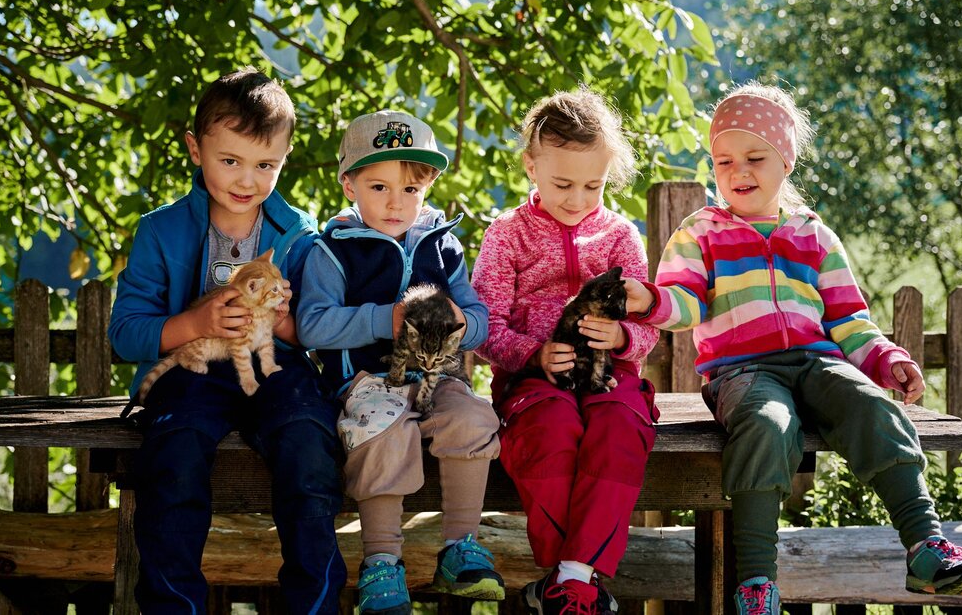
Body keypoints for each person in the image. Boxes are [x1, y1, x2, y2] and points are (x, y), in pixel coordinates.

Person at [625, 81, 962, 612]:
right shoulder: (700, 233)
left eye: (755, 158)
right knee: (766, 425)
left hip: (817, 363)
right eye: (723, 161)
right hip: (742, 373)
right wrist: (650, 299)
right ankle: (756, 582)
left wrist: (887, 360)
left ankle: (926, 546)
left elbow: (848, 319)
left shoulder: (814, 234)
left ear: (785, 161)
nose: (738, 171)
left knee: (874, 407)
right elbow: (684, 304)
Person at [108, 67, 345, 614]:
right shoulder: (161, 230)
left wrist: (284, 322)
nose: (246, 180)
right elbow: (125, 334)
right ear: (196, 149)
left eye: (265, 165)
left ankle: (314, 606)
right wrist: (196, 324)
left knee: (309, 446)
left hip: (276, 369)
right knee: (173, 456)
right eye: (230, 160)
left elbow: (316, 332)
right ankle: (173, 608)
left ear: (285, 157)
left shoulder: (300, 235)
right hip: (191, 371)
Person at [295, 110, 504, 615]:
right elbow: (312, 326)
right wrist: (383, 319)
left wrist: (462, 322)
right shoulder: (333, 250)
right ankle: (383, 560)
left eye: (410, 189)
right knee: (382, 428)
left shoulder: (442, 244)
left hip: (437, 377)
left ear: (427, 187)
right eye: (379, 187)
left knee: (475, 417)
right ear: (349, 185)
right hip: (366, 380)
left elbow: (479, 319)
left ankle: (460, 547)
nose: (396, 203)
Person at [471, 88, 661, 615]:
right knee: (551, 431)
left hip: (610, 376)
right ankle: (573, 579)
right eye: (562, 184)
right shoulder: (507, 235)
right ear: (531, 167)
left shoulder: (620, 235)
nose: (578, 199)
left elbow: (647, 325)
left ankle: (569, 579)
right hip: (535, 382)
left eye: (593, 186)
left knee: (620, 429)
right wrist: (533, 354)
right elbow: (485, 329)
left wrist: (623, 339)